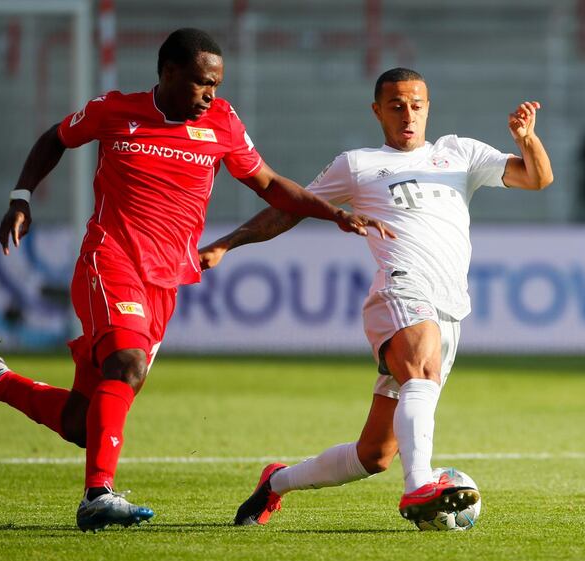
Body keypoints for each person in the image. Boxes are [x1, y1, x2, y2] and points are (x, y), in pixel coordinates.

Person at [0, 28, 390, 532]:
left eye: (217, 85)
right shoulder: (114, 111)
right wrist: (21, 194)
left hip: (165, 280)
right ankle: (98, 496)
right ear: (168, 73)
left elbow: (267, 183)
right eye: (202, 83)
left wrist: (333, 213)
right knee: (128, 362)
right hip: (110, 261)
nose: (211, 95)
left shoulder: (222, 122)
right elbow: (55, 137)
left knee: (81, 424)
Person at [198, 67, 554, 526]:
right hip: (400, 287)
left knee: (375, 454)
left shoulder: (459, 153)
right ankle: (419, 485)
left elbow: (537, 178)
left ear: (429, 107)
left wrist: (527, 138)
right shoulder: (358, 164)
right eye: (396, 106)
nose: (408, 115)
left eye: (417, 105)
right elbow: (289, 209)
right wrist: (228, 242)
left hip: (450, 305)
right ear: (377, 111)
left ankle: (277, 481)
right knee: (421, 369)